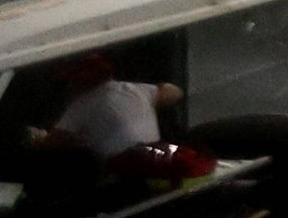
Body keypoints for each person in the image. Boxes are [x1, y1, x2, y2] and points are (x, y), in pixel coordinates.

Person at [35, 54, 182, 162]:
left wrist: (37, 137)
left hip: (120, 169)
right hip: (157, 158)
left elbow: (52, 144)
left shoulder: (83, 104)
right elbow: (175, 92)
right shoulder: (134, 89)